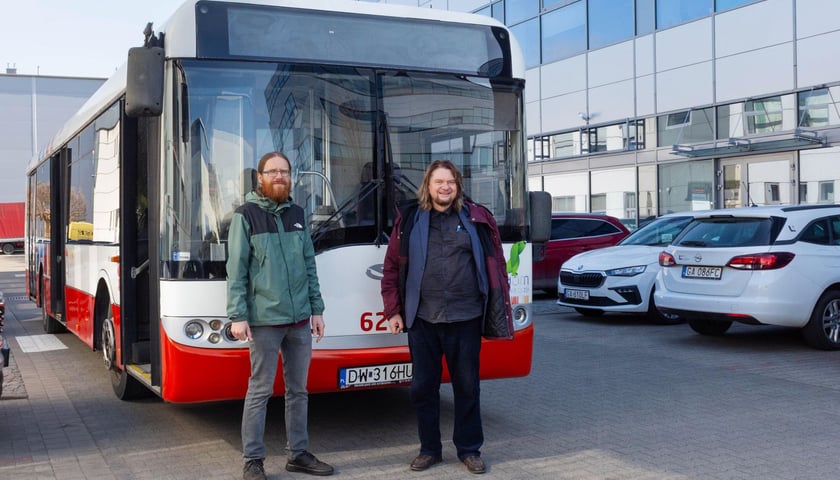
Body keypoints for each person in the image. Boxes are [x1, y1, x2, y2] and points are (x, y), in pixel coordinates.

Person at [380, 160, 513, 475]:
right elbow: (392, 268)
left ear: (458, 186)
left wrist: (498, 307)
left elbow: (496, 264)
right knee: (422, 388)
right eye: (439, 181)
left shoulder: (475, 217)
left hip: (466, 318)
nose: (445, 187)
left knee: (467, 387)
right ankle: (430, 450)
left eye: (450, 182)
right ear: (428, 185)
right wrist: (393, 310)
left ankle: (469, 449)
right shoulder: (411, 218)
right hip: (423, 319)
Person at [226, 151, 334, 480]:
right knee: (259, 390)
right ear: (259, 178)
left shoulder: (298, 214)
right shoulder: (245, 216)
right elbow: (236, 271)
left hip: (300, 320)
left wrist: (316, 309)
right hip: (263, 321)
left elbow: (309, 267)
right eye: (272, 172)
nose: (279, 177)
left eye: (284, 171)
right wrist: (237, 315)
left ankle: (298, 454)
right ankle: (253, 460)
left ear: (290, 176)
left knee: (298, 390)